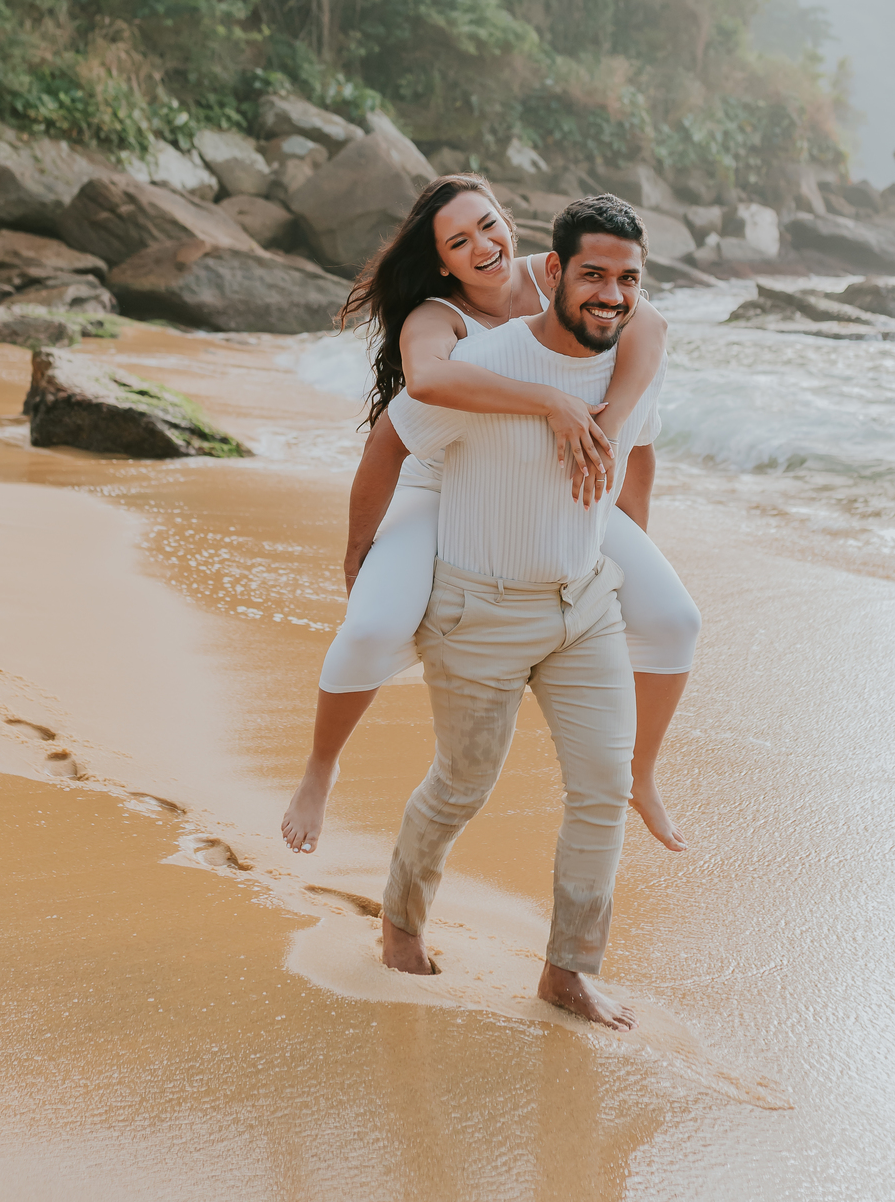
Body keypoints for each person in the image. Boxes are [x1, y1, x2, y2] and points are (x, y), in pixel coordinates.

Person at [280, 176, 701, 858]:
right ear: (442, 259)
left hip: (547, 483)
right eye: (459, 240)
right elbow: (422, 390)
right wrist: (357, 547)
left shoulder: (558, 277)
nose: (483, 245)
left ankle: (640, 773)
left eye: (489, 224)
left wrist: (613, 449)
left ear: (510, 221)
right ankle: (319, 768)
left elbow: (647, 325)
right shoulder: (437, 317)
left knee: (676, 619)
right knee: (371, 628)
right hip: (438, 485)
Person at [378, 194, 665, 1029]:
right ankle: (400, 919)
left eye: (628, 280)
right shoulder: (489, 360)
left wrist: (631, 545)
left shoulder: (631, 364)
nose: (611, 295)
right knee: (463, 784)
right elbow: (393, 438)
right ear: (553, 271)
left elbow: (639, 454)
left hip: (584, 608)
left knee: (605, 787)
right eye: (593, 276)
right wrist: (361, 553)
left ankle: (568, 971)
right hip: (479, 611)